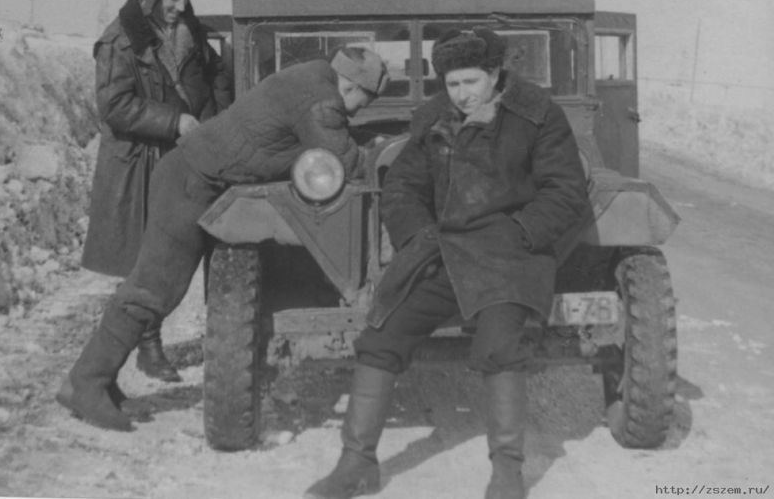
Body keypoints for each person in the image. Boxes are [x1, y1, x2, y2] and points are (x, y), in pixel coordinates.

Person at [305, 28, 589, 499]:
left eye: (470, 82)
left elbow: (565, 191)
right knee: (381, 337)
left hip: (509, 257)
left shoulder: (537, 115)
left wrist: (520, 234)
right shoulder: (434, 117)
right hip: (444, 252)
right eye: (453, 84)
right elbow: (402, 187)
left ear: (494, 73)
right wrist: (419, 238)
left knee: (499, 348)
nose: (461, 95)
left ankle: (507, 473)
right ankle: (356, 463)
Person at [57, 45, 389, 432]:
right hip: (190, 182)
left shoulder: (312, 78)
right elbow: (343, 161)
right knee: (154, 288)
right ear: (352, 87)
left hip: (195, 177)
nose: (358, 111)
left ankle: (96, 381)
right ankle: (86, 383)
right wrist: (382, 155)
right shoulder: (321, 100)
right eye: (364, 102)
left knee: (158, 289)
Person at [81, 0, 232, 383]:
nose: (181, 6)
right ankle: (146, 348)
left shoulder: (190, 31)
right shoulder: (120, 40)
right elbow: (114, 105)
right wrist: (174, 121)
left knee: (177, 250)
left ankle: (150, 344)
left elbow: (215, 73)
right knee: (146, 258)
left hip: (183, 157)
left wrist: (216, 119)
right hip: (141, 162)